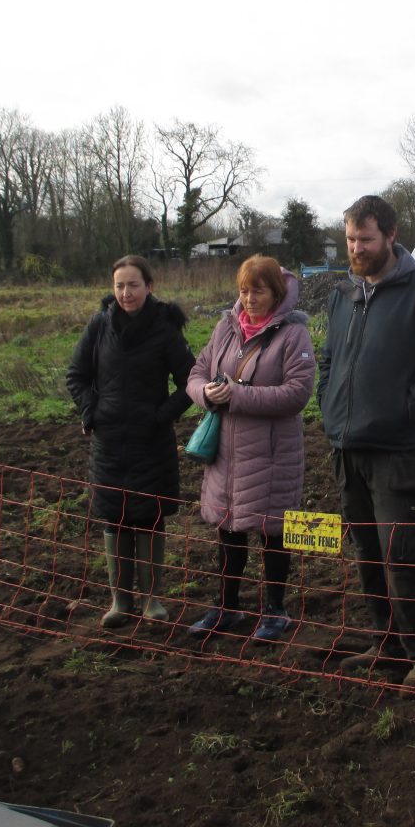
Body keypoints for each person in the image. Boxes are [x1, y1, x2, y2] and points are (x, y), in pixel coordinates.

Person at [317, 195, 415, 690]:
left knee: (401, 552)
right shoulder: (344, 295)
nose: (356, 248)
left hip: (397, 451)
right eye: (350, 240)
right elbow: (329, 360)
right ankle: (385, 642)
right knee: (366, 550)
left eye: (365, 239)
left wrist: (406, 408)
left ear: (390, 235)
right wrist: (328, 403)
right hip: (347, 447)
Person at [186, 255, 315, 643]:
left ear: (276, 292)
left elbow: (297, 394)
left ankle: (276, 609)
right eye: (244, 290)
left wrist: (238, 396)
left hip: (272, 455)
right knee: (228, 529)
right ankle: (226, 605)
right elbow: (196, 373)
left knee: (273, 531)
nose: (249, 299)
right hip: (226, 452)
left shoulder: (293, 334)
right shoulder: (225, 328)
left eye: (258, 290)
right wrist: (206, 394)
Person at [67, 255, 195, 628]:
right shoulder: (99, 326)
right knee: (114, 518)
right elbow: (77, 375)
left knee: (150, 518)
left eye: (133, 285)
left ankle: (152, 600)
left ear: (149, 286)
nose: (126, 293)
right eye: (119, 285)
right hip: (108, 444)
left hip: (150, 444)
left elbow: (190, 381)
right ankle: (120, 601)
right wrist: (91, 412)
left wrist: (160, 417)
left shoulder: (165, 328)